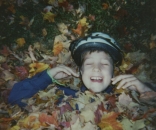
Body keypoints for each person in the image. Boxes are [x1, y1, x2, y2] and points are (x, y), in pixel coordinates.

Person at [8, 32, 154, 107]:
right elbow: (14, 97)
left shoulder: (128, 98)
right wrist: (47, 77)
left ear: (113, 72)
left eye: (104, 64)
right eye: (89, 64)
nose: (96, 69)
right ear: (80, 71)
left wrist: (145, 91)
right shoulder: (64, 96)